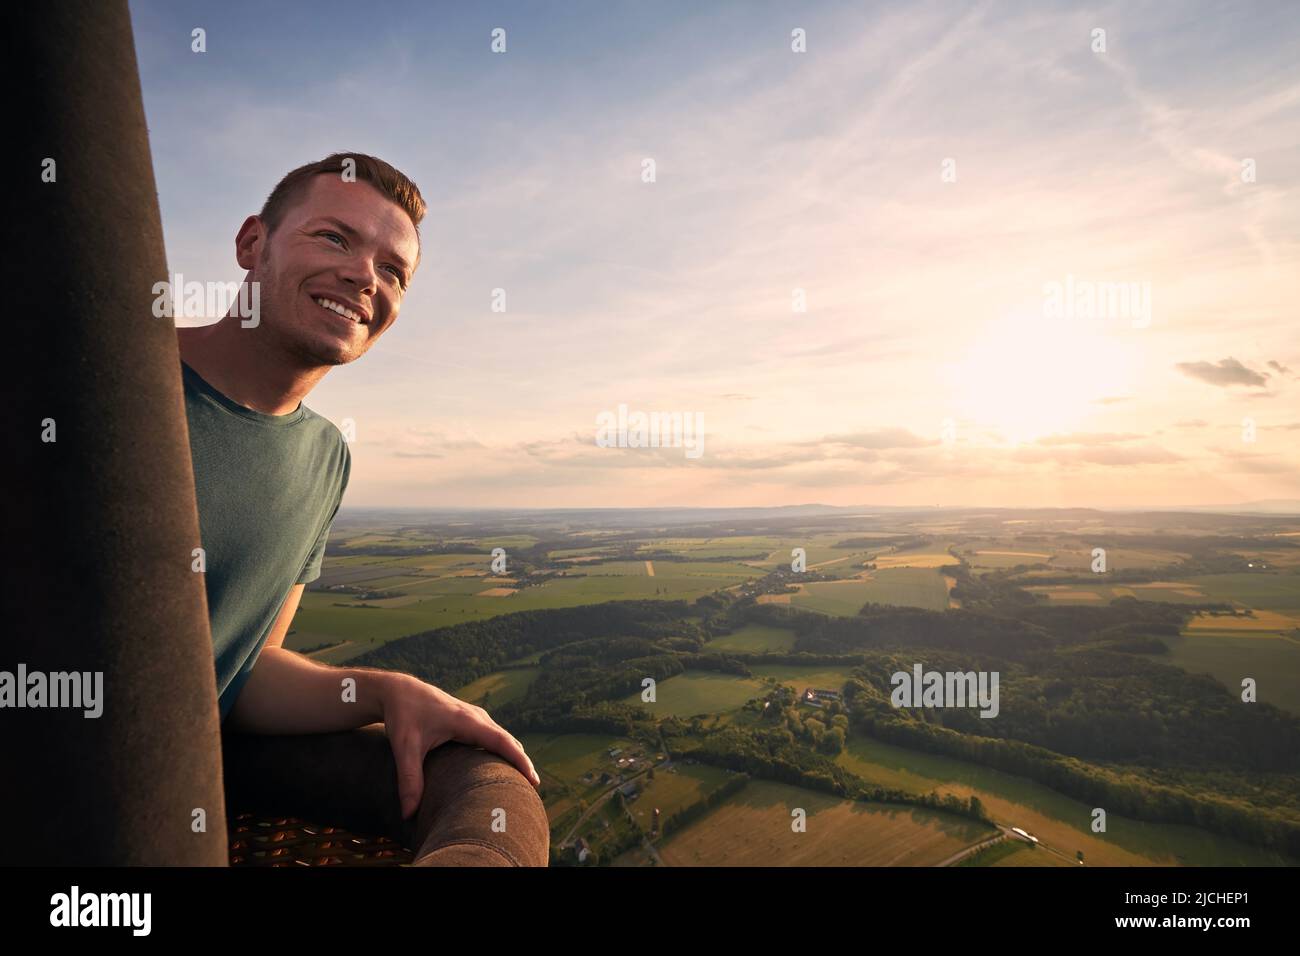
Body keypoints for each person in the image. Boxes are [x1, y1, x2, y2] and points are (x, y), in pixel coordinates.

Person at [177, 153, 549, 866]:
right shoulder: (106, 376)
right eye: (335, 239)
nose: (363, 276)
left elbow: (244, 672)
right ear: (252, 244)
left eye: (394, 270)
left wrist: (382, 691)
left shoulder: (325, 459)